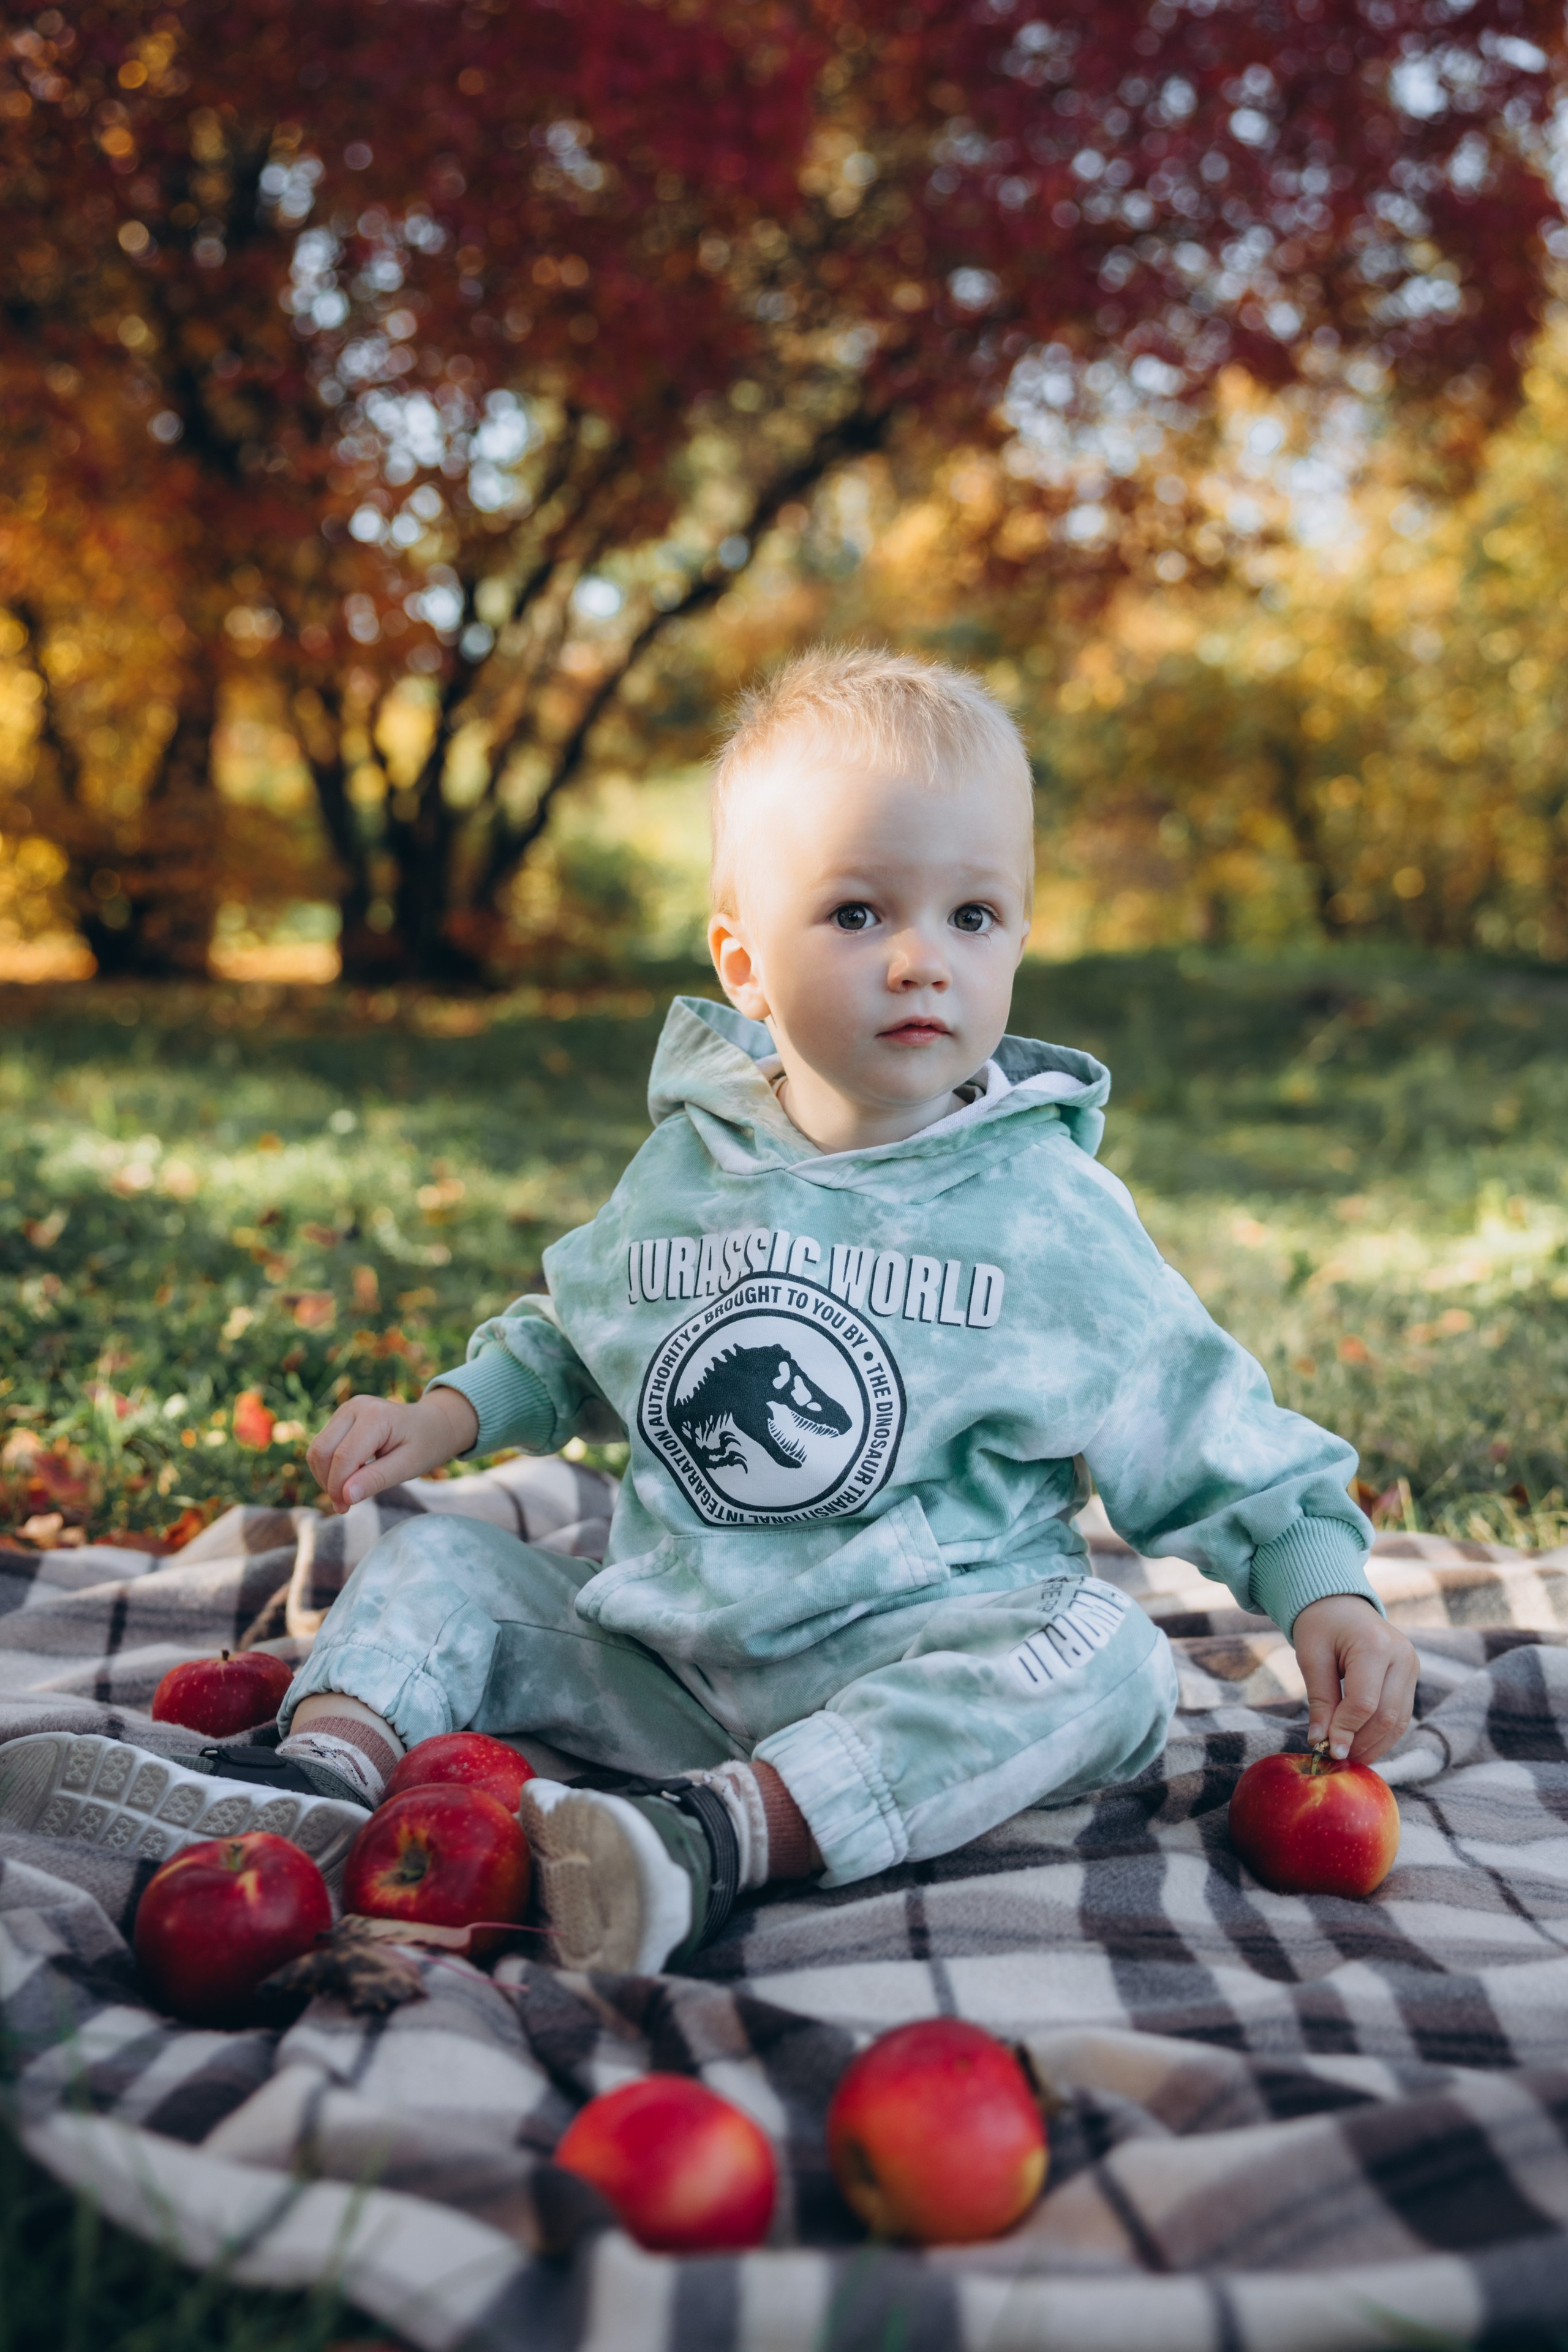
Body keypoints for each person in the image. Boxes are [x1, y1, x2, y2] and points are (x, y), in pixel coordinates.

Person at [272, 647, 1419, 1973]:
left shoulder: (1044, 1212)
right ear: (744, 961)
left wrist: (1319, 1585)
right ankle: (312, 1786)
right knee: (442, 1559)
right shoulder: (694, 1165)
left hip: (917, 1673)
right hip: (666, 1662)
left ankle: (719, 1838)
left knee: (1109, 1661)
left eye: (973, 917)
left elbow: (1199, 1418)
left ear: (1018, 941)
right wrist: (445, 1413)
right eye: (860, 913)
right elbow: (583, 1333)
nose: (922, 961)